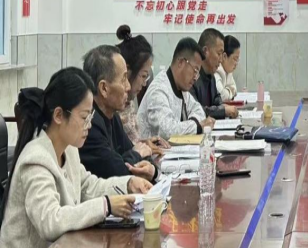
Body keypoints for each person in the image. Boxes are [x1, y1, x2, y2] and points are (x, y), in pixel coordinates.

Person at [0, 67, 151, 248]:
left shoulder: (69, 149)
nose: (89, 125)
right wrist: (106, 205)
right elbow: (50, 221)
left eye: (90, 117)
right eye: (84, 117)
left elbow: (88, 186)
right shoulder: (35, 159)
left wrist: (128, 183)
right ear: (59, 115)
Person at [79, 45, 158, 182]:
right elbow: (117, 171)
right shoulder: (89, 123)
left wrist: (149, 166)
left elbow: (138, 152)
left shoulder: (112, 115)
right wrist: (135, 154)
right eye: (123, 79)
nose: (128, 86)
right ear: (104, 88)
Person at [137, 37, 215, 139]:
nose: (196, 78)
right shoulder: (158, 90)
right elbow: (167, 130)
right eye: (195, 70)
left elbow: (199, 110)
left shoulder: (182, 89)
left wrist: (194, 123)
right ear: (181, 62)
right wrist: (197, 126)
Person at [115, 25, 168, 153]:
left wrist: (146, 143)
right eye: (143, 76)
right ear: (127, 71)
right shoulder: (115, 106)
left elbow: (131, 145)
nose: (144, 84)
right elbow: (120, 155)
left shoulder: (129, 102)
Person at [190, 29, 238, 119]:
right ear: (205, 51)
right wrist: (223, 111)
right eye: (219, 54)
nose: (221, 59)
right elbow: (195, 110)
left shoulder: (211, 75)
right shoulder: (190, 76)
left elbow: (216, 100)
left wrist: (223, 106)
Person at [215, 35, 241, 101]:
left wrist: (227, 91)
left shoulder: (228, 71)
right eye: (235, 59)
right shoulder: (216, 70)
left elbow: (234, 89)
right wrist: (230, 91)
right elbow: (222, 96)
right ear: (224, 56)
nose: (236, 63)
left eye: (238, 60)